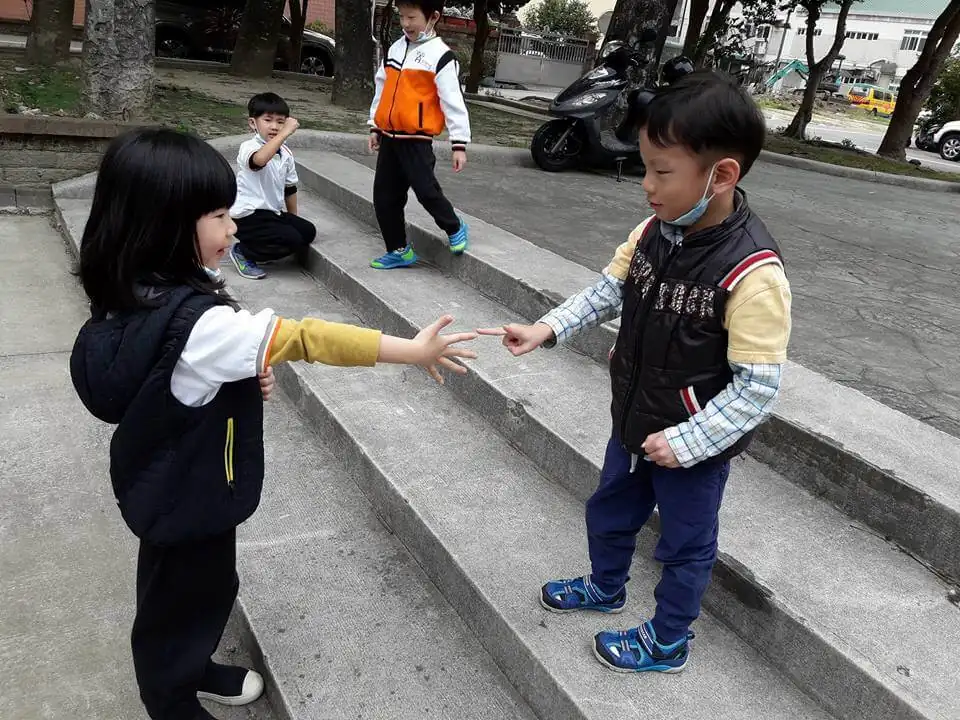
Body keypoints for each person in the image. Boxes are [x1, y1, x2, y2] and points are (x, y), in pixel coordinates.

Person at [70, 128, 477, 720]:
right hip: (188, 488)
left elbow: (166, 377)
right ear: (162, 224)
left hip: (173, 479)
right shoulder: (201, 324)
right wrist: (410, 351)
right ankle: (169, 697)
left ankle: (192, 665)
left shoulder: (140, 289)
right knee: (182, 598)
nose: (233, 227)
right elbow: (308, 337)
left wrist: (232, 384)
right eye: (216, 215)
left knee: (193, 590)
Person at [479, 71, 792, 674]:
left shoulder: (753, 275)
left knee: (685, 544)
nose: (646, 185)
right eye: (645, 168)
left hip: (692, 446)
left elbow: (757, 387)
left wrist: (687, 441)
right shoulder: (653, 231)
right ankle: (606, 585)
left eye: (661, 172)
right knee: (610, 509)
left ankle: (670, 639)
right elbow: (607, 291)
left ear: (721, 175)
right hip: (632, 416)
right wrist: (548, 328)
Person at [367, 0, 471, 269]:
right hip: (389, 136)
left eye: (412, 17)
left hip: (417, 139)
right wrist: (374, 125)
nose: (405, 24)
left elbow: (453, 102)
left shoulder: (441, 55)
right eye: (402, 16)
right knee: (384, 196)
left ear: (433, 17)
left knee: (426, 190)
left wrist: (458, 144)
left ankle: (455, 226)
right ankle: (398, 249)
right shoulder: (395, 48)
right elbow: (382, 87)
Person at [229, 92, 315, 280]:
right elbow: (259, 160)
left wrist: (292, 220)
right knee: (292, 240)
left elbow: (290, 187)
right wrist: (285, 134)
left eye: (280, 122)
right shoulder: (249, 147)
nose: (275, 127)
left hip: (271, 213)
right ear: (253, 123)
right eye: (268, 120)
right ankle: (244, 252)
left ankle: (265, 246)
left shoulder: (285, 153)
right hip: (248, 215)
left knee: (307, 232)